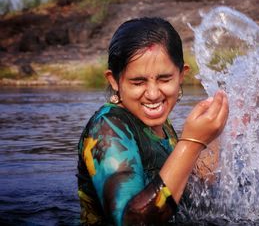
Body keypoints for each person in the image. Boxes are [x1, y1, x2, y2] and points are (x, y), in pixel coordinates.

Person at [77, 17, 229, 225]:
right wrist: (191, 142)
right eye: (138, 82)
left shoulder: (158, 123)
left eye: (165, 79)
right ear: (114, 81)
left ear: (182, 75)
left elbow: (194, 184)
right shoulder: (108, 130)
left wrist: (221, 131)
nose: (153, 94)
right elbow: (131, 221)